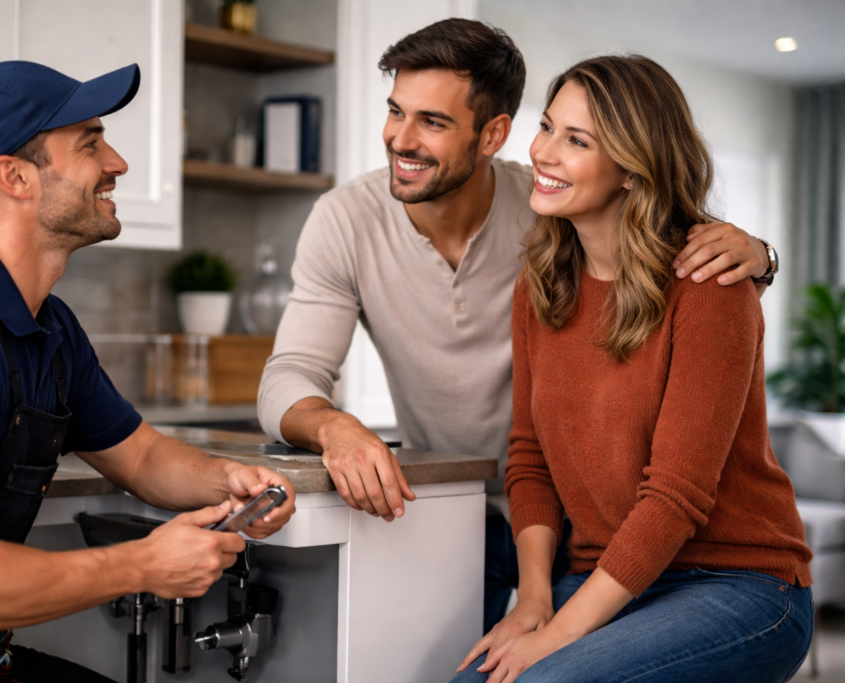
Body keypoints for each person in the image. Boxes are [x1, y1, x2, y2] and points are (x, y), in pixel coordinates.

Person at [256, 18, 779, 632]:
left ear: (492, 134)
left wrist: (761, 258)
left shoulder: (552, 214)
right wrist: (335, 427)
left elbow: (661, 253)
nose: (400, 139)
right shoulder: (348, 220)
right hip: (451, 511)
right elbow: (287, 376)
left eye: (433, 121)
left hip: (583, 527)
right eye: (396, 111)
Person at [0, 61, 295, 682]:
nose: (118, 163)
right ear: (13, 176)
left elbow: (142, 456)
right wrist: (142, 565)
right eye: (91, 144)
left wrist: (231, 480)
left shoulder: (47, 325)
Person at [452, 55, 811, 683]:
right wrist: (533, 600)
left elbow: (674, 496)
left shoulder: (707, 283)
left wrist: (560, 634)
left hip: (738, 582)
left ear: (630, 168)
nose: (544, 152)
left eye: (577, 140)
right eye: (548, 126)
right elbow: (529, 454)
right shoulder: (540, 286)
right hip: (601, 576)